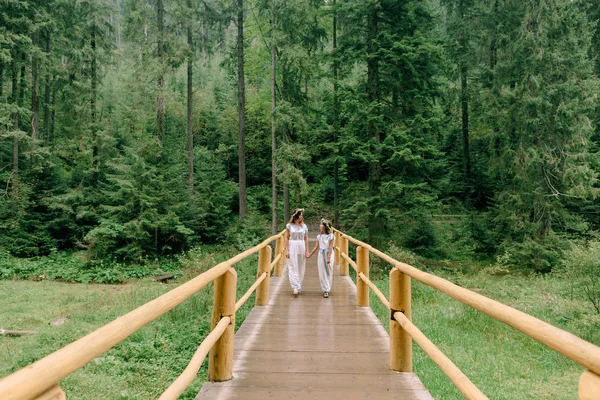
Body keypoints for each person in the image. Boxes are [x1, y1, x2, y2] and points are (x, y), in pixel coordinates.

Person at [286, 208, 309, 297]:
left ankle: (298, 285)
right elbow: (287, 238)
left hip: (301, 245)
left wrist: (307, 250)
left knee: (300, 265)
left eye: (302, 215)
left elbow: (306, 238)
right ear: (296, 216)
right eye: (300, 215)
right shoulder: (289, 226)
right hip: (293, 245)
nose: (301, 217)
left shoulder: (304, 226)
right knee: (292, 265)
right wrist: (287, 250)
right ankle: (295, 287)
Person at [308, 219, 334, 298]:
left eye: (321, 224)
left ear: (325, 227)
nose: (320, 226)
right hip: (321, 254)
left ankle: (328, 287)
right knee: (322, 272)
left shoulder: (331, 236)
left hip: (328, 254)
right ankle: (325, 289)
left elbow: (330, 247)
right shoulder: (319, 236)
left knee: (329, 271)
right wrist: (310, 255)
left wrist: (328, 257)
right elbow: (316, 247)